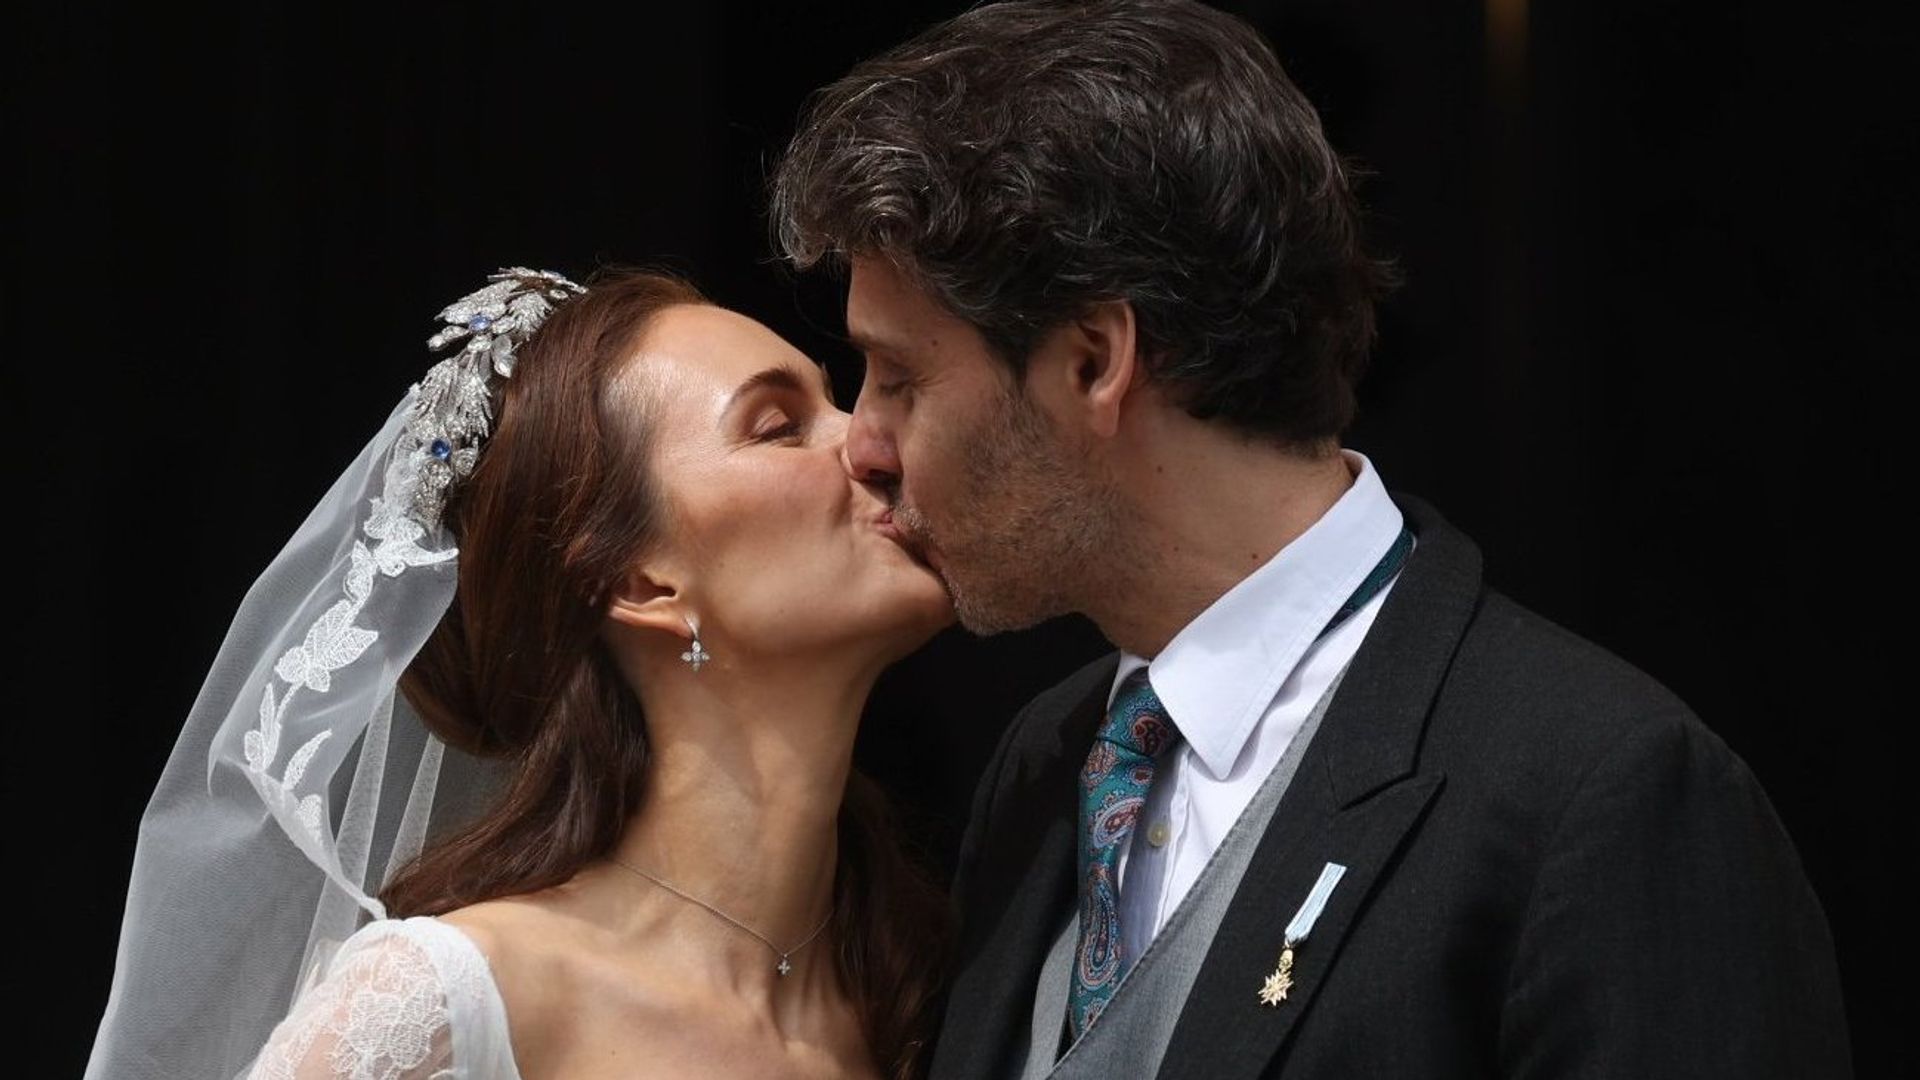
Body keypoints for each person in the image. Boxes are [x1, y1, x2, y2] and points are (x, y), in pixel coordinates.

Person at [770, 2, 1853, 1078]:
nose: (863, 443)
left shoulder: (1604, 796)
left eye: (902, 377)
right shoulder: (1048, 761)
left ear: (1095, 362)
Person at [85, 268, 954, 1079]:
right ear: (640, 583)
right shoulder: (447, 1006)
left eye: (837, 402)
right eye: (777, 426)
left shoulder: (934, 992)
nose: (873, 443)